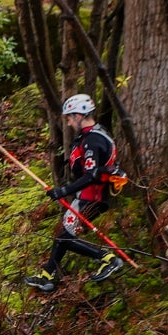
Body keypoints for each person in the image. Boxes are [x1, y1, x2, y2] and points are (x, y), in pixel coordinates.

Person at [25, 94, 126, 293]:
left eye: (71, 117)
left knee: (64, 236)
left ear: (80, 115)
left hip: (92, 196)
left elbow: (91, 175)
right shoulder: (90, 136)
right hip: (87, 196)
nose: (69, 122)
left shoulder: (93, 139)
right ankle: (47, 276)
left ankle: (108, 259)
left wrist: (63, 191)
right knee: (64, 234)